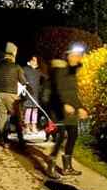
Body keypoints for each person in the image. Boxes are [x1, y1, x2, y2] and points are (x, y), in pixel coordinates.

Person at [48, 43, 88, 177]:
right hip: (59, 109)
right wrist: (65, 103)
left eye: (79, 56)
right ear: (68, 56)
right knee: (60, 137)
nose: (77, 58)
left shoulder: (72, 73)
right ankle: (51, 165)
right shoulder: (60, 70)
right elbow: (58, 89)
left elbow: (73, 94)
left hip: (71, 112)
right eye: (74, 55)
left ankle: (67, 167)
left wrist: (81, 107)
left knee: (73, 135)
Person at [0, 42, 27, 147]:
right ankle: (21, 140)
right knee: (17, 117)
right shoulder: (16, 67)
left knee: (2, 118)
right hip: (12, 94)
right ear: (13, 53)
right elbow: (23, 81)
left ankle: (3, 140)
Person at [22, 55, 44, 135]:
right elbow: (21, 79)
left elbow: (45, 78)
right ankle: (27, 127)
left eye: (36, 60)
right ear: (30, 61)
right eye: (34, 60)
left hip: (36, 93)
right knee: (28, 110)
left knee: (35, 110)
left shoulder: (39, 71)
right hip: (28, 93)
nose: (35, 62)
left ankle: (34, 126)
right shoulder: (25, 69)